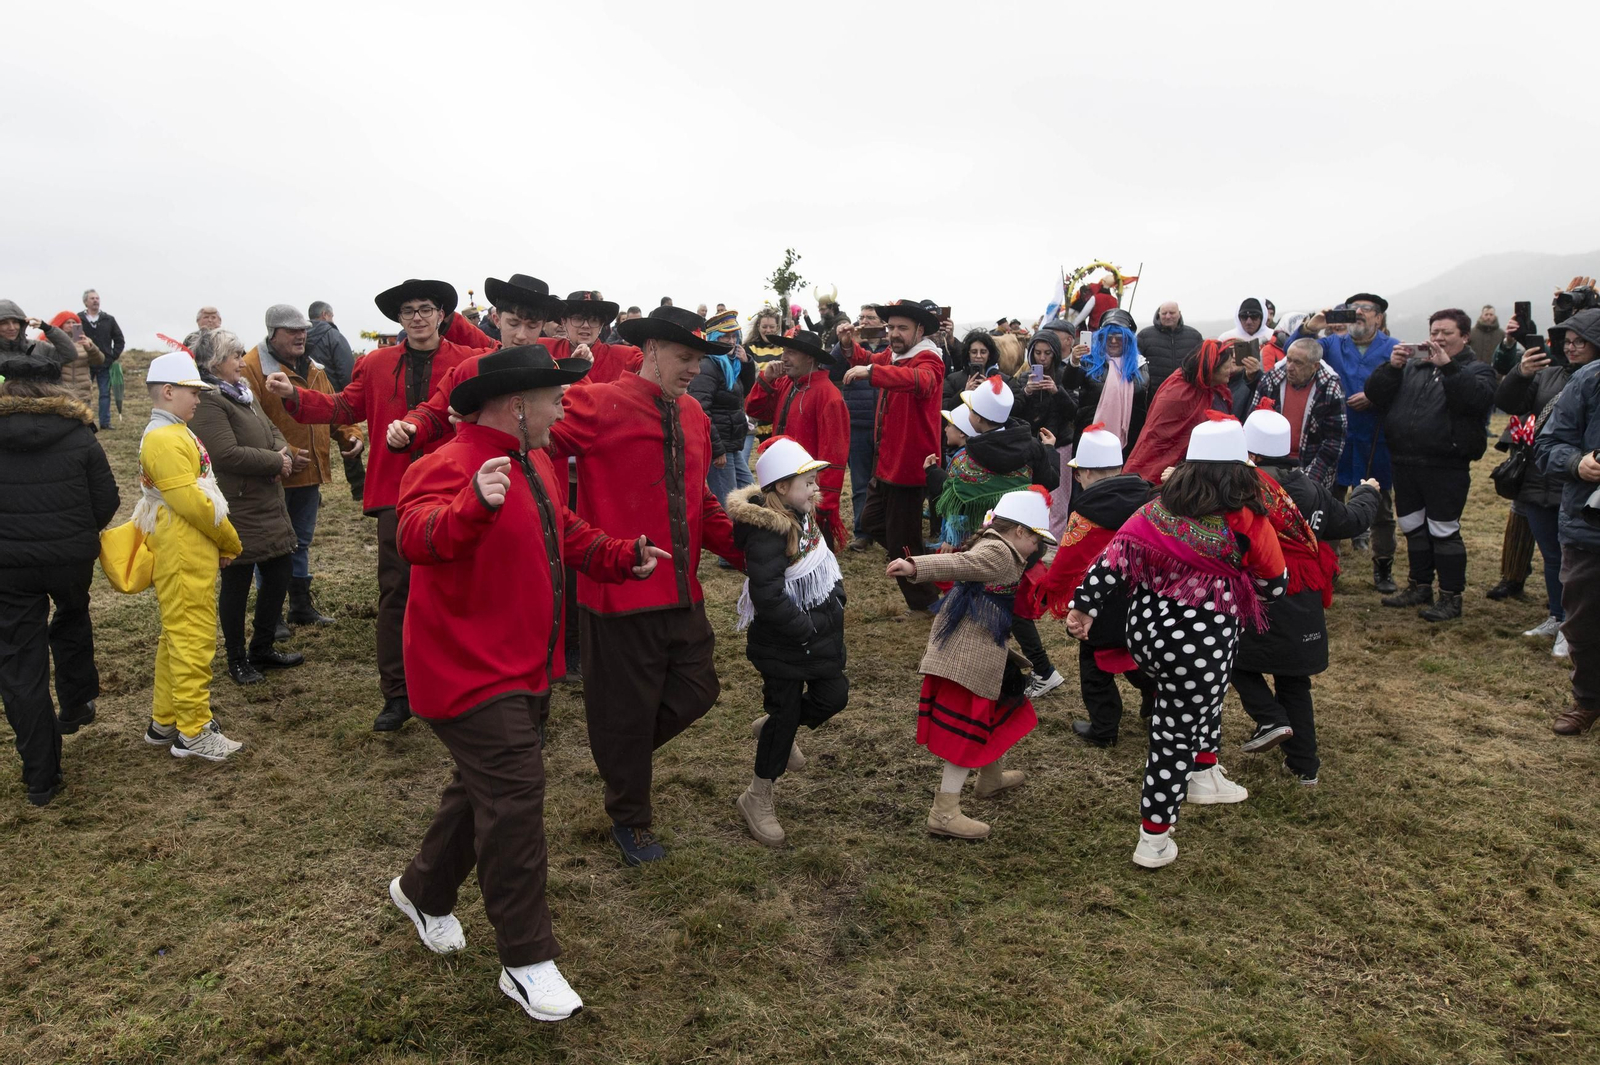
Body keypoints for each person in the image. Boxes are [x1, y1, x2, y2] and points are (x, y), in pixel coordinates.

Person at [389, 344, 666, 1025]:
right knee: (514, 797)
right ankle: (525, 960)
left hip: (523, 667)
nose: (563, 409)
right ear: (517, 406)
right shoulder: (443, 465)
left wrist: (616, 555)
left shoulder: (535, 459)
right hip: (464, 674)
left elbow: (561, 530)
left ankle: (423, 890)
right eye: (555, 399)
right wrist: (472, 508)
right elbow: (417, 536)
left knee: (482, 788)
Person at [548, 306, 745, 865]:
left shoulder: (693, 414)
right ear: (652, 349)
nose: (693, 370)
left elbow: (700, 498)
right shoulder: (596, 401)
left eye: (700, 361)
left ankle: (618, 754)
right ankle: (629, 814)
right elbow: (531, 453)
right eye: (685, 358)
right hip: (618, 592)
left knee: (698, 690)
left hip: (681, 589)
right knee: (626, 708)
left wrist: (745, 548)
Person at [264, 279, 491, 732]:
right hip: (397, 493)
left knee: (458, 589)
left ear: (443, 314)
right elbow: (344, 407)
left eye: (427, 308)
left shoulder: (468, 363)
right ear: (399, 319)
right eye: (409, 311)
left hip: (456, 487)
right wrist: (295, 397)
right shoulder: (376, 362)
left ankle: (455, 686)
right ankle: (397, 693)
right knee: (397, 592)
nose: (418, 317)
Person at [1066, 414, 1288, 869]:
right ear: (1241, 471)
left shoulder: (1157, 509)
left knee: (1200, 698)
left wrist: (1083, 607)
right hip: (1202, 640)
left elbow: (1113, 559)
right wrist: (1244, 591)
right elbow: (1275, 581)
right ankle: (1154, 838)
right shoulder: (1247, 519)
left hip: (1146, 632)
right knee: (1172, 734)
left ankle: (1204, 773)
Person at [888, 488, 1056, 840]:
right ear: (1020, 532)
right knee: (967, 732)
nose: (1039, 549)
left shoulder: (1000, 542)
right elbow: (961, 564)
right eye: (1037, 540)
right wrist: (916, 565)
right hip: (968, 658)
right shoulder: (998, 552)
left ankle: (990, 778)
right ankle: (944, 811)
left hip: (983, 648)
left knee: (1000, 707)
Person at [0, 342, 120, 805]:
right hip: (69, 557)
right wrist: (79, 531)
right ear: (53, 385)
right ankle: (76, 703)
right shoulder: (78, 433)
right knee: (72, 615)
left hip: (8, 567)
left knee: (18, 665)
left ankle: (41, 778)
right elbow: (107, 498)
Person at [1233, 409, 1379, 785]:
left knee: (1234, 658)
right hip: (1305, 598)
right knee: (1294, 681)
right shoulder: (1312, 487)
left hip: (1261, 593)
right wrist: (1368, 492)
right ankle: (1304, 767)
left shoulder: (1244, 487)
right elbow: (1350, 520)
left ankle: (1269, 718)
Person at [726, 437, 848, 847]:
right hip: (784, 642)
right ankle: (756, 797)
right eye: (809, 482)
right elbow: (768, 595)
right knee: (783, 716)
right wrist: (804, 627)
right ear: (781, 488)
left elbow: (823, 561)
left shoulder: (805, 518)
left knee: (834, 695)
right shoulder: (767, 534)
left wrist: (837, 600)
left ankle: (780, 724)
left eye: (816, 480)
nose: (817, 489)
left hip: (815, 634)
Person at [137, 351, 245, 761]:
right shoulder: (165, 438)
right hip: (185, 546)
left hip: (187, 544)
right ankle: (194, 731)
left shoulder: (172, 431)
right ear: (168, 391)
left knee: (176, 635)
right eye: (192, 391)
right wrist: (230, 540)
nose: (198, 399)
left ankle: (165, 721)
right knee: (192, 639)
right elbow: (194, 504)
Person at [1364, 309, 1497, 621]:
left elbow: (1475, 401)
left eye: (1447, 333)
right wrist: (1392, 368)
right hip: (1405, 461)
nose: (1438, 338)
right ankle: (1419, 586)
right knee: (1412, 527)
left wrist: (1449, 368)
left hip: (1445, 464)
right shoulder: (1413, 366)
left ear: (1464, 337)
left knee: (1443, 531)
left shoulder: (1478, 370)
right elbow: (1375, 394)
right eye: (1434, 332)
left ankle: (1451, 597)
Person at [190, 330, 306, 685]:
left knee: (279, 572)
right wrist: (275, 461)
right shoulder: (209, 400)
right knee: (237, 583)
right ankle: (237, 658)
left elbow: (271, 429)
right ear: (214, 363)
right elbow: (225, 454)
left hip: (267, 502)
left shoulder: (242, 393)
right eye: (234, 357)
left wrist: (281, 452)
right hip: (237, 505)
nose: (242, 362)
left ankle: (263, 647)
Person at [245, 305, 362, 634]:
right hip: (274, 473)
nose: (301, 336)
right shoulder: (252, 369)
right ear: (273, 333)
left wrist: (350, 435)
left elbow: (332, 407)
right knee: (271, 544)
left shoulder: (314, 367)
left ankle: (299, 606)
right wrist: (282, 452)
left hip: (309, 474)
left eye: (303, 330)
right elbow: (249, 422)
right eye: (291, 331)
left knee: (300, 542)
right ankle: (272, 615)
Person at [1037, 426, 1154, 747]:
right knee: (1137, 656)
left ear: (1084, 472)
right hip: (1143, 602)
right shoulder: (1149, 502)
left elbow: (1066, 563)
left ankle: (1104, 728)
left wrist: (1048, 588)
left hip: (1099, 604)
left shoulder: (1085, 515)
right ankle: (1154, 700)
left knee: (1094, 669)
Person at [838, 300, 946, 617]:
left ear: (920, 330)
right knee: (872, 522)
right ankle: (927, 564)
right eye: (891, 327)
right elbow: (870, 358)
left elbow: (919, 381)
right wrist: (848, 345)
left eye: (902, 328)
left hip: (911, 465)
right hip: (886, 462)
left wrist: (872, 372)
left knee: (901, 542)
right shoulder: (896, 355)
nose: (894, 334)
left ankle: (925, 602)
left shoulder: (929, 359)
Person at [1504, 311, 1600, 657]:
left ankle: (1575, 626)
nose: (1571, 348)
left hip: (1580, 488)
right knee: (1554, 557)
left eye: (1580, 342)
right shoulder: (1548, 376)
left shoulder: (1591, 381)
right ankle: (1558, 617)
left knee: (1577, 561)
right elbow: (1509, 404)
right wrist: (1520, 373)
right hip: (1542, 479)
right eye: (1568, 342)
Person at [1294, 295, 1400, 592]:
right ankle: (1330, 566)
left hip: (1375, 438)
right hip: (1335, 440)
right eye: (1354, 310)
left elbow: (1403, 389)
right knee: (1327, 504)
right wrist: (1308, 328)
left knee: (1380, 508)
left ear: (1379, 318)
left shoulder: (1393, 349)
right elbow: (1297, 351)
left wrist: (1375, 396)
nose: (1359, 315)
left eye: (1366, 310)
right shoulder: (1332, 346)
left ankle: (1383, 568)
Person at [1534, 307, 1600, 735]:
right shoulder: (1588, 380)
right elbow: (1548, 446)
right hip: (1589, 526)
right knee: (1583, 619)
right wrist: (1578, 463)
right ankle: (1589, 701)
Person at [744, 331, 850, 549]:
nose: (783, 358)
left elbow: (834, 456)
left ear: (809, 357)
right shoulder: (786, 384)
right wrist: (767, 378)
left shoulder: (829, 396)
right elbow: (754, 408)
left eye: (791, 352)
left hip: (807, 497)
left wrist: (823, 505)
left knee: (814, 559)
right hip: (783, 488)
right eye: (784, 351)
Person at [1123, 340, 1236, 484]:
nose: (1231, 370)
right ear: (1213, 367)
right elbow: (1158, 439)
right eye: (1227, 367)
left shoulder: (1216, 390)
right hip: (1172, 473)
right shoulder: (1178, 393)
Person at [1241, 338, 1346, 489]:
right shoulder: (1271, 380)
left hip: (1312, 466)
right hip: (1270, 466)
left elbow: (1334, 442)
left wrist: (1310, 482)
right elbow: (1252, 426)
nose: (1289, 367)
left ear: (1314, 366)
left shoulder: (1330, 388)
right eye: (1288, 360)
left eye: (1298, 363)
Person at [830, 305, 884, 546]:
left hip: (885, 423)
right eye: (861, 317)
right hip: (859, 421)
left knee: (886, 481)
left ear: (882, 322)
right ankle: (863, 533)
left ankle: (885, 531)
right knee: (861, 481)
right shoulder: (848, 346)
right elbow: (829, 368)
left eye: (870, 318)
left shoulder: (891, 347)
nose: (864, 321)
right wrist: (841, 344)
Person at [690, 309, 756, 507]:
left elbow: (742, 394)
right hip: (720, 450)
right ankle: (728, 538)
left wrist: (746, 364)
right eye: (724, 336)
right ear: (713, 338)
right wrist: (716, 449)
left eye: (734, 336)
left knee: (750, 495)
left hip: (731, 446)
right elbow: (700, 410)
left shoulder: (730, 365)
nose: (731, 341)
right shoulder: (708, 366)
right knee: (729, 506)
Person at [1016, 328, 1077, 537]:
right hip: (1031, 447)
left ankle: (1054, 547)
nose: (1042, 358)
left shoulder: (1064, 377)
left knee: (1059, 501)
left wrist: (1056, 391)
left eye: (1047, 353)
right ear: (1031, 352)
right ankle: (1032, 544)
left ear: (1056, 354)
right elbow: (1014, 413)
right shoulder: (1024, 378)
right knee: (1031, 497)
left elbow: (1073, 413)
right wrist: (1026, 392)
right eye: (1037, 352)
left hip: (1060, 444)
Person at [1066, 308, 1150, 455]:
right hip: (1091, 434)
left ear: (1128, 340)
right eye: (1108, 337)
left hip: (1130, 438)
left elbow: (1144, 397)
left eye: (1119, 337)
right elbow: (1069, 384)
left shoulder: (1140, 364)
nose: (1113, 341)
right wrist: (1073, 362)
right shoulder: (1089, 361)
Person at [303, 300, 364, 501]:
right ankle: (358, 487)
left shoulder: (299, 337)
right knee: (349, 440)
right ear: (326, 315)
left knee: (309, 442)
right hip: (336, 397)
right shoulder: (333, 335)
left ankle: (312, 490)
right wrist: (351, 395)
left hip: (307, 398)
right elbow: (346, 368)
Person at [78, 289, 124, 430]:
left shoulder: (108, 319)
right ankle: (84, 421)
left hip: (105, 363)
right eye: (92, 298)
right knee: (84, 394)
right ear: (85, 301)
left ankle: (105, 423)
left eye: (97, 298)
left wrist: (112, 356)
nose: (95, 300)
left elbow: (119, 340)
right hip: (85, 363)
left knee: (105, 394)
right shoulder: (78, 319)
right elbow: (74, 340)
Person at [44, 312, 104, 409]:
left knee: (84, 422)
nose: (71, 325)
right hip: (61, 392)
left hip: (82, 393)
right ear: (61, 324)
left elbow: (99, 360)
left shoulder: (85, 341)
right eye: (68, 323)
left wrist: (90, 348)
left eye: (74, 322)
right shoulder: (52, 341)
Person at [1137, 302, 1203, 388]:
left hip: (1186, 392)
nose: (1168, 316)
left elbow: (1201, 365)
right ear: (1159, 314)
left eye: (1172, 313)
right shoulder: (1144, 336)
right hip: (1153, 394)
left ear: (1179, 314)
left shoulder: (1194, 336)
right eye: (1164, 313)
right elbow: (1135, 364)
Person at [1, 302, 76, 369]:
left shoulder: (37, 347)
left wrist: (49, 329)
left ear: (22, 324)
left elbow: (69, 355)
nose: (12, 328)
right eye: (4, 323)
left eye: (15, 322)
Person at [944, 331, 1003, 411]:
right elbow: (944, 407)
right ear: (968, 354)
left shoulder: (1002, 379)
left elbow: (1016, 404)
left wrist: (990, 393)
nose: (978, 356)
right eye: (974, 352)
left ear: (989, 354)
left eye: (983, 352)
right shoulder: (952, 379)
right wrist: (964, 393)